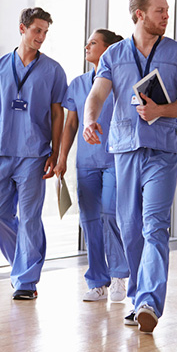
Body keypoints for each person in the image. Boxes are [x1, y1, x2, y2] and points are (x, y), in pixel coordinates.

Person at [83, 0, 177, 333]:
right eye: (160, 11)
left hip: (162, 151)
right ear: (140, 14)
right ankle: (137, 298)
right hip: (124, 150)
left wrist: (161, 110)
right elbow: (97, 94)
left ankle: (149, 300)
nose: (167, 16)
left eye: (167, 10)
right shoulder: (114, 55)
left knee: (154, 226)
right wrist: (91, 119)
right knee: (130, 228)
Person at [0, 7, 67, 301]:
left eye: (45, 32)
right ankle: (21, 265)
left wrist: (55, 151)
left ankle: (26, 280)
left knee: (29, 218)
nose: (41, 37)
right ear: (22, 29)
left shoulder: (53, 70)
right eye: (37, 30)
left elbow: (57, 114)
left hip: (34, 153)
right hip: (1, 151)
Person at [55, 29, 129, 303]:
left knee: (110, 214)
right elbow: (71, 124)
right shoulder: (77, 84)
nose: (87, 45)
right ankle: (98, 280)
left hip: (115, 159)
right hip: (85, 162)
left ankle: (120, 274)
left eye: (94, 42)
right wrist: (62, 158)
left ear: (109, 49)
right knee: (89, 221)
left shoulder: (121, 82)